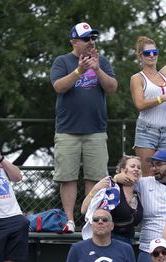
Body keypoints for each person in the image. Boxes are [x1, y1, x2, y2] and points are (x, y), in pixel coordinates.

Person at [50, 22, 117, 229]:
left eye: (93, 38)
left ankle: (91, 218)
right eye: (86, 39)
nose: (91, 42)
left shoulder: (102, 61)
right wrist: (79, 71)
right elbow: (59, 87)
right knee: (67, 177)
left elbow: (112, 87)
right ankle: (69, 220)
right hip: (67, 130)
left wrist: (97, 69)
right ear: (74, 42)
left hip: (96, 130)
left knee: (96, 177)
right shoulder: (62, 61)